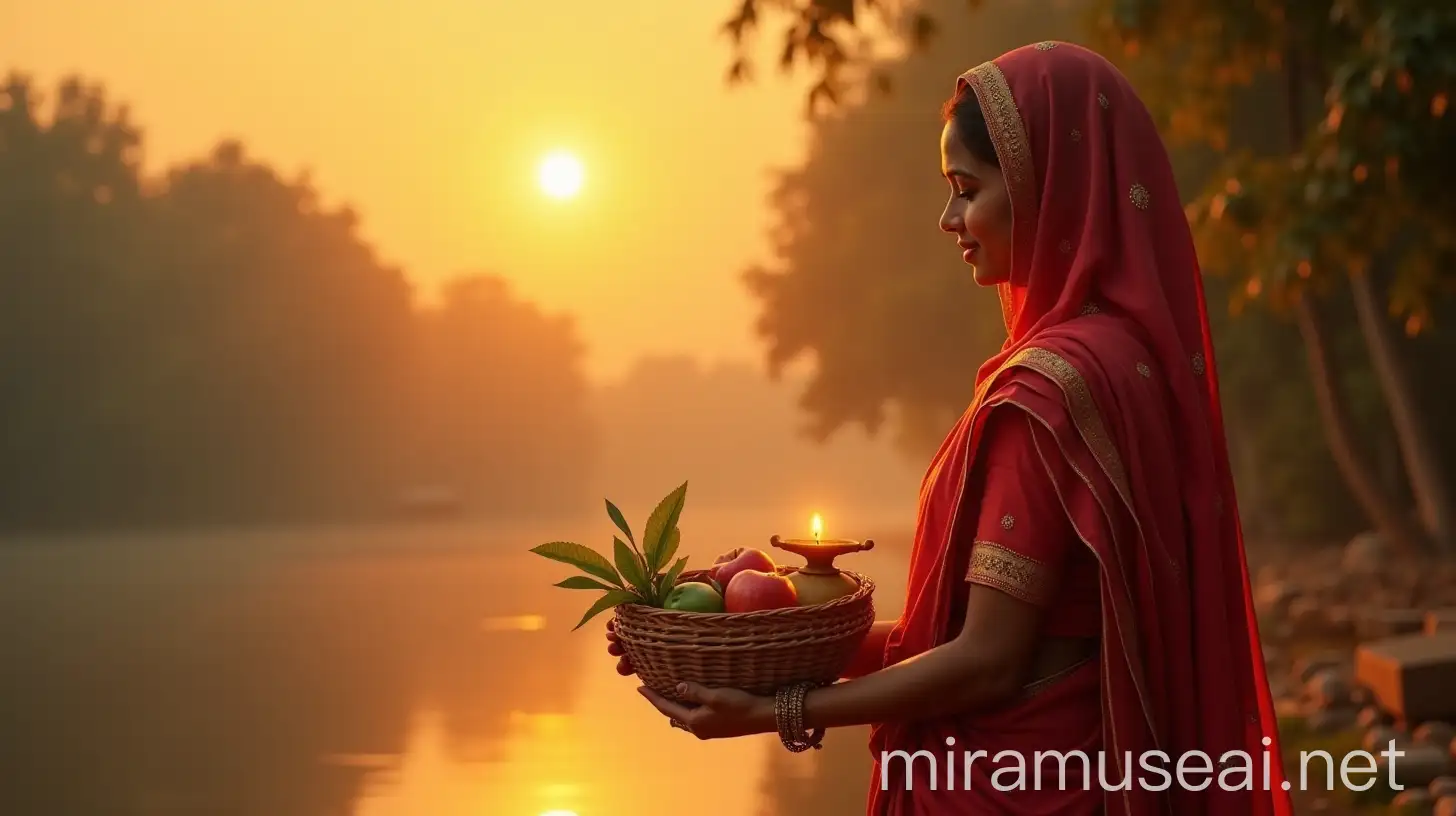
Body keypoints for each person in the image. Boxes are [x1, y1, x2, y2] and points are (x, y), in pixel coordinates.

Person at [607, 40, 1294, 815]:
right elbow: (983, 639)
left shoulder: (1045, 393)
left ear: (1048, 188)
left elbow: (990, 663)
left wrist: (777, 713)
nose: (948, 219)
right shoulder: (1129, 365)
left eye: (966, 189)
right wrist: (747, 657)